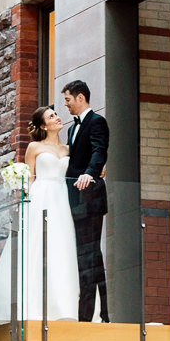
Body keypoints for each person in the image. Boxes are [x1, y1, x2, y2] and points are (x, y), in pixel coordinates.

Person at [0, 105, 80, 326]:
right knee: (36, 247)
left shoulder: (68, 149)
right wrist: (23, 201)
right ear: (43, 125)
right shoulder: (34, 147)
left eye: (56, 114)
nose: (57, 118)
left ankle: (62, 306)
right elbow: (29, 178)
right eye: (51, 116)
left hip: (62, 199)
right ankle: (31, 306)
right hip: (41, 197)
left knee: (61, 247)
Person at [63, 79, 110, 323]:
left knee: (90, 255)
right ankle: (95, 313)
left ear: (81, 98)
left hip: (90, 198)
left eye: (68, 100)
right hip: (72, 200)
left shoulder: (97, 122)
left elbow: (99, 151)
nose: (66, 106)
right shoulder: (71, 129)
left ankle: (93, 314)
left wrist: (90, 173)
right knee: (86, 255)